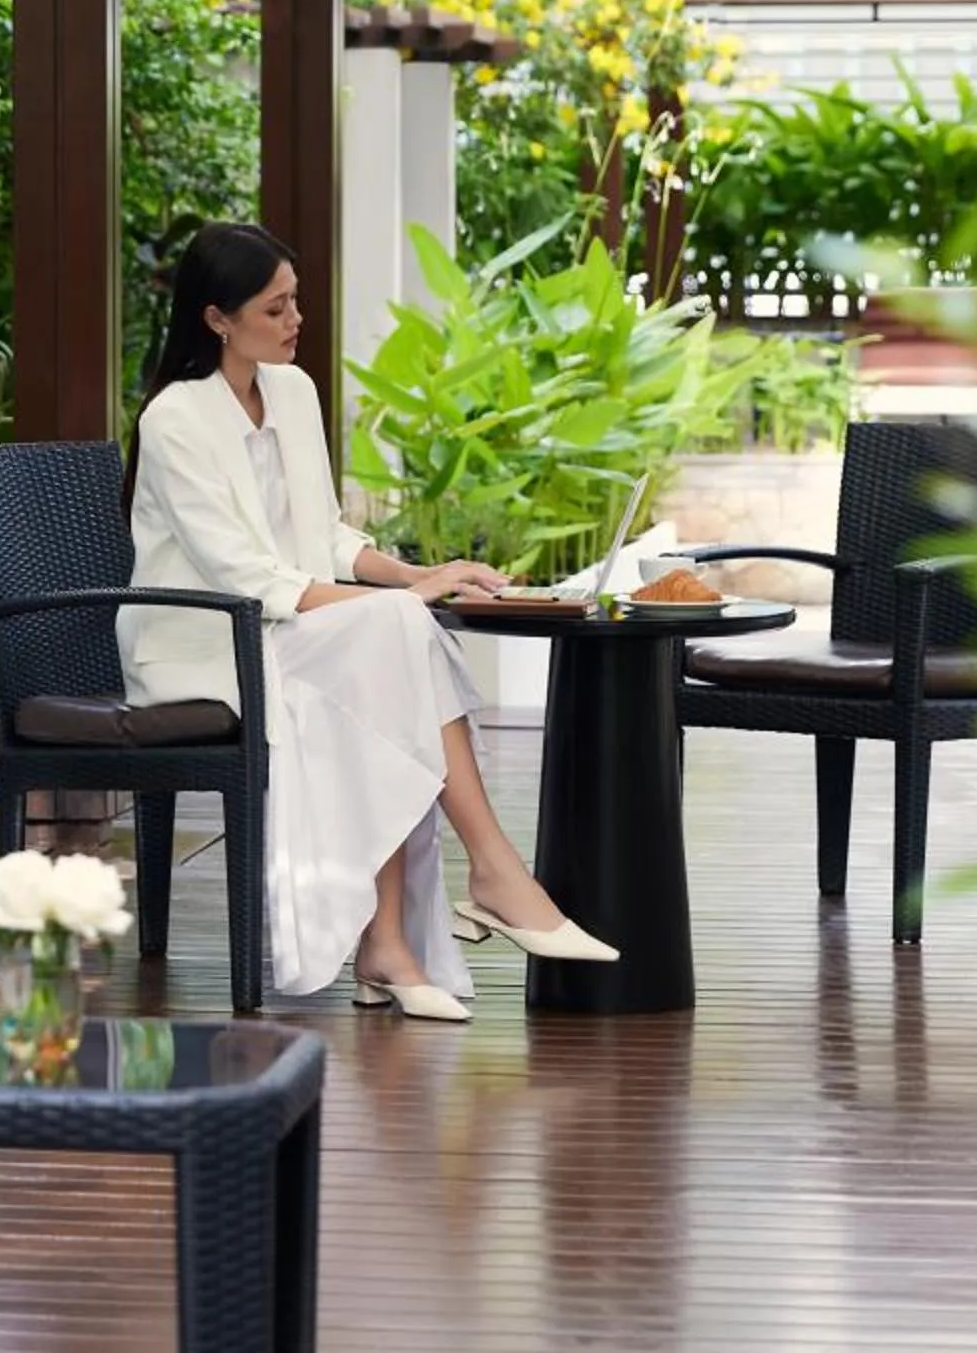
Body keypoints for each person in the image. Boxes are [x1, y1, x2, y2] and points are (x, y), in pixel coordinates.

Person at [121, 221, 617, 1022]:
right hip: (205, 644)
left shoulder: (292, 391)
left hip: (288, 631)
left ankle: (393, 939)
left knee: (389, 653)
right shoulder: (174, 420)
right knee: (393, 640)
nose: (296, 320)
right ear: (217, 319)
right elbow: (244, 577)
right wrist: (397, 605)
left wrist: (420, 576)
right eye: (275, 309)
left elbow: (326, 537)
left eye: (296, 301)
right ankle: (486, 878)